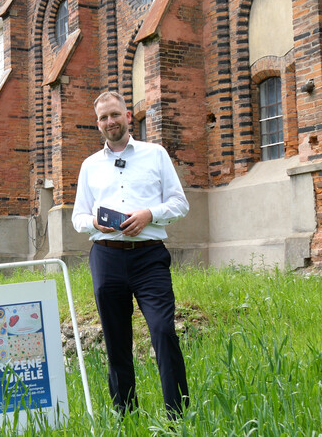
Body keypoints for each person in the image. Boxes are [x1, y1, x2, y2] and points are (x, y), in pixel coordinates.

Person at [72, 91, 190, 419]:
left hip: (149, 258)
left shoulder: (156, 155)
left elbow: (180, 203)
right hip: (106, 257)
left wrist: (149, 214)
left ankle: (178, 417)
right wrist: (94, 223)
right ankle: (126, 416)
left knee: (163, 330)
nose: (110, 121)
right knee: (116, 340)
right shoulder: (89, 166)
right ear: (98, 124)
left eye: (115, 114)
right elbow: (78, 217)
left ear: (127, 116)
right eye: (103, 118)